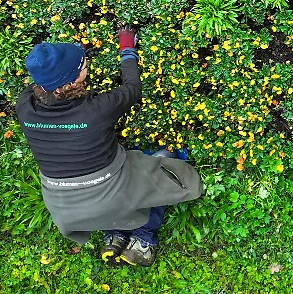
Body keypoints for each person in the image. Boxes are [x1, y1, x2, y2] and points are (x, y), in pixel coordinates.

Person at [15, 25, 203, 266]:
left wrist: (68, 59)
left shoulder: (25, 107)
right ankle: (143, 240)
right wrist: (127, 49)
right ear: (73, 81)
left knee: (108, 195)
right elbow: (132, 89)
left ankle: (113, 236)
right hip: (110, 191)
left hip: (65, 206)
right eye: (83, 68)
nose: (87, 69)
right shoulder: (96, 110)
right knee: (165, 161)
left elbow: (48, 80)